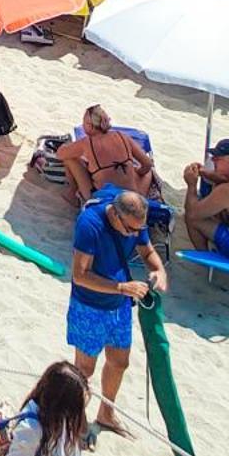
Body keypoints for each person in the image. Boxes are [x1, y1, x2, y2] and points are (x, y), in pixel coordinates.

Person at [67, 187, 167, 437]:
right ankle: (76, 421)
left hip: (119, 305)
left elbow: (147, 251)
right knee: (84, 370)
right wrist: (121, 287)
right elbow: (80, 276)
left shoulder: (135, 221)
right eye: (131, 229)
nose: (135, 233)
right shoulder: (90, 225)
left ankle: (106, 413)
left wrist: (158, 270)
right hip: (89, 305)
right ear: (115, 215)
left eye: (139, 229)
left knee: (119, 362)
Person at [57, 105, 159, 205]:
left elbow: (60, 154)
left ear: (90, 126)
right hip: (131, 197)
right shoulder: (121, 136)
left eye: (84, 123)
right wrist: (137, 172)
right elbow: (147, 164)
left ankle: (72, 194)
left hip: (104, 199)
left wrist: (67, 145)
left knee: (70, 160)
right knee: (148, 171)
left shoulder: (86, 143)